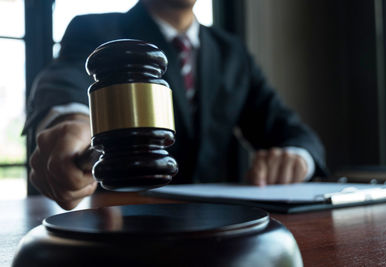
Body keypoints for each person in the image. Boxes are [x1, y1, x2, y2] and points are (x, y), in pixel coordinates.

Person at [24, 0, 328, 210]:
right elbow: (64, 80)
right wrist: (74, 122)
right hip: (120, 225)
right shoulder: (95, 30)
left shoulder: (231, 53)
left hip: (217, 234)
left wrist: (298, 158)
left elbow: (291, 131)